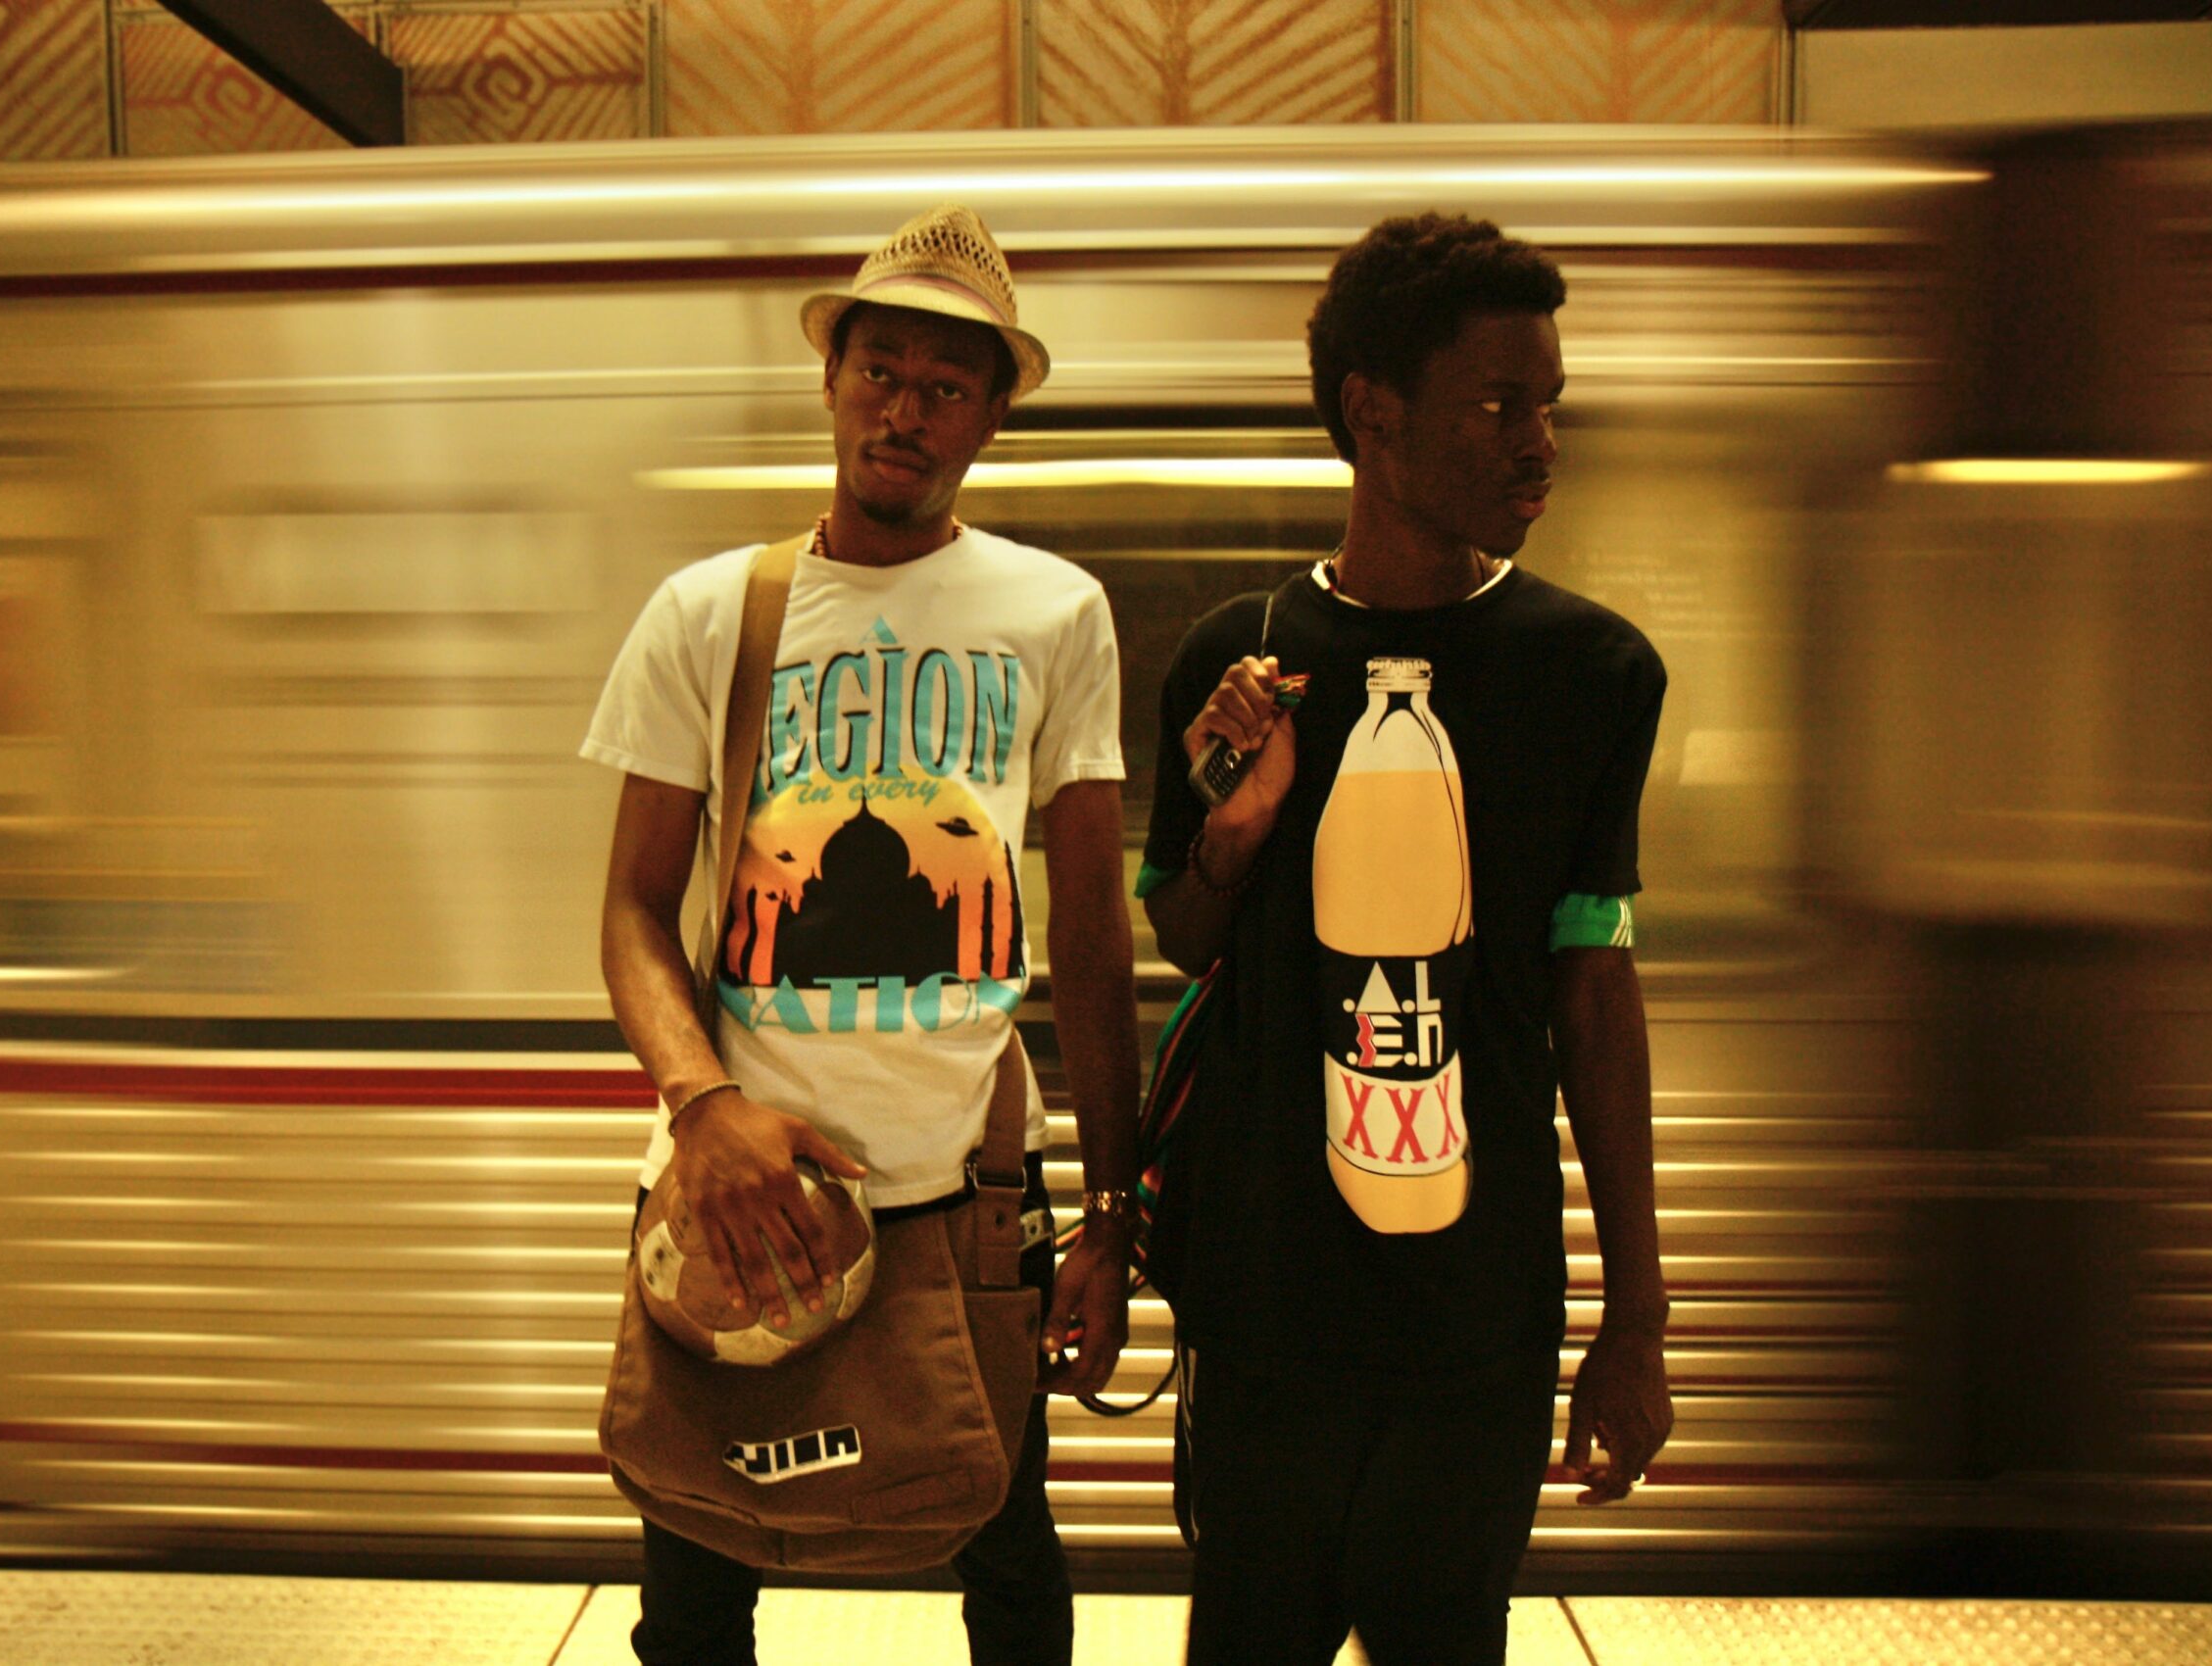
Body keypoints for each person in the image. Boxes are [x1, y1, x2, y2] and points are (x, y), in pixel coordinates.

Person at [584, 204, 1142, 1666]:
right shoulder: (711, 612)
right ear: (830, 381)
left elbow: (1091, 939)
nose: (904, 410)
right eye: (879, 371)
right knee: (699, 1557)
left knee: (1003, 1544)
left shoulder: (1057, 613)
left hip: (968, 1190)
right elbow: (634, 908)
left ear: (991, 416)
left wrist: (1115, 1212)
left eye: (946, 386)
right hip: (739, 1185)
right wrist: (703, 1108)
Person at [1138, 214, 1674, 1666]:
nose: (1539, 444)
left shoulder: (1595, 674)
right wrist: (1237, 831)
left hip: (1477, 1309)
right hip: (1266, 1303)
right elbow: (1183, 936)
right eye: (1498, 406)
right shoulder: (1237, 657)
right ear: (1371, 415)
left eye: (1549, 404)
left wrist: (1636, 1314)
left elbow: (1591, 986)